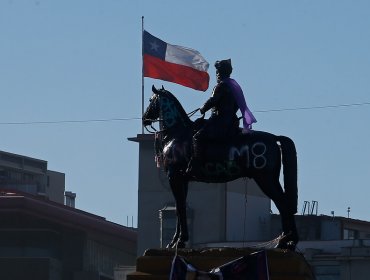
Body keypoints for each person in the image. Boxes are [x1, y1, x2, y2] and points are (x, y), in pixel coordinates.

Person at [186, 59, 257, 174]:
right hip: (232, 121)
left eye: (217, 72)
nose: (217, 75)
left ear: (220, 73)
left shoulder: (221, 85)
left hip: (219, 122)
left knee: (197, 137)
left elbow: (213, 100)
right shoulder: (234, 86)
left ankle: (196, 165)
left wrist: (203, 108)